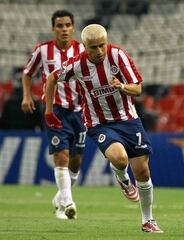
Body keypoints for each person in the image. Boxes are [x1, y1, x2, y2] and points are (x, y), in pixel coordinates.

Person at [44, 24, 163, 233]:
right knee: (119, 158)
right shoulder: (77, 64)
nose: (99, 51)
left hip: (129, 120)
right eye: (93, 48)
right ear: (84, 47)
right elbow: (52, 77)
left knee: (143, 172)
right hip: (98, 123)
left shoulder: (118, 56)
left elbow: (138, 88)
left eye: (102, 46)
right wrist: (48, 110)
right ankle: (123, 178)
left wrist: (122, 86)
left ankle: (148, 221)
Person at [21, 10, 86, 220]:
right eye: (60, 26)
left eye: (68, 25)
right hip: (54, 109)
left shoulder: (83, 49)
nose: (64, 29)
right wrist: (27, 96)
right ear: (53, 29)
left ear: (73, 28)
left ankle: (60, 197)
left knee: (75, 162)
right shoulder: (42, 51)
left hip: (80, 111)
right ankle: (66, 204)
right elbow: (27, 73)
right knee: (62, 156)